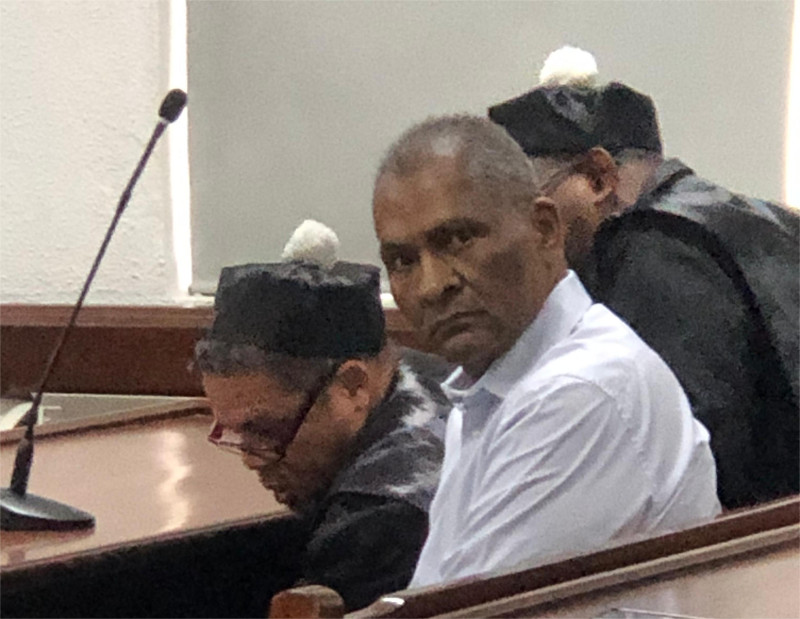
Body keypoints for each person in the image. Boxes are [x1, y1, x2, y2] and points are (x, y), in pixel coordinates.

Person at [372, 115, 720, 587]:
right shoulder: (488, 395)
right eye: (402, 261)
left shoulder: (580, 390)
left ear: (543, 228)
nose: (432, 285)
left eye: (457, 239)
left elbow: (475, 611)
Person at [489, 46, 799, 509]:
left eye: (528, 206)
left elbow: (685, 467)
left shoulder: (654, 249)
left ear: (598, 178)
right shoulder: (756, 216)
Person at [195, 220, 447, 611]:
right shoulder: (452, 382)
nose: (250, 458)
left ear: (352, 386)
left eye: (265, 430)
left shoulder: (376, 521)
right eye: (233, 432)